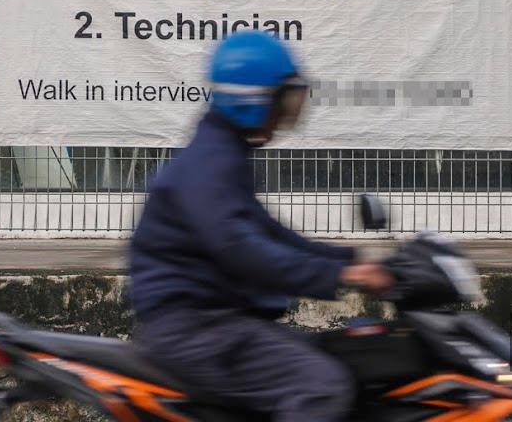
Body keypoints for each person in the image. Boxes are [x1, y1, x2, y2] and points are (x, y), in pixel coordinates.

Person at [130, 30, 393, 422]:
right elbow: (242, 248)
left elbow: (271, 234)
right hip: (197, 330)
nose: (289, 110)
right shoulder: (210, 163)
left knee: (342, 359)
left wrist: (352, 260)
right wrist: (342, 271)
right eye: (283, 99)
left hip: (214, 323)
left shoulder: (223, 154)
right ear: (253, 100)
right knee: (322, 387)